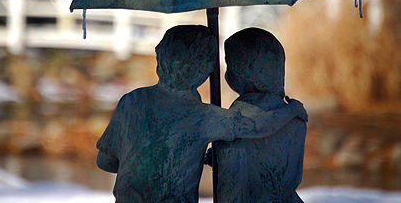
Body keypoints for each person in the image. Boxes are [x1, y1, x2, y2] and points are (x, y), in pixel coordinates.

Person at [96, 25, 307, 203]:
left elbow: (105, 161)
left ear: (160, 56)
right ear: (205, 73)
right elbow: (257, 127)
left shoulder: (131, 101)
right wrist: (292, 110)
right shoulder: (205, 117)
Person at [215, 27, 307, 203]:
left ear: (238, 73)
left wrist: (222, 154)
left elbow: (230, 193)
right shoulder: (297, 120)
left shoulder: (234, 124)